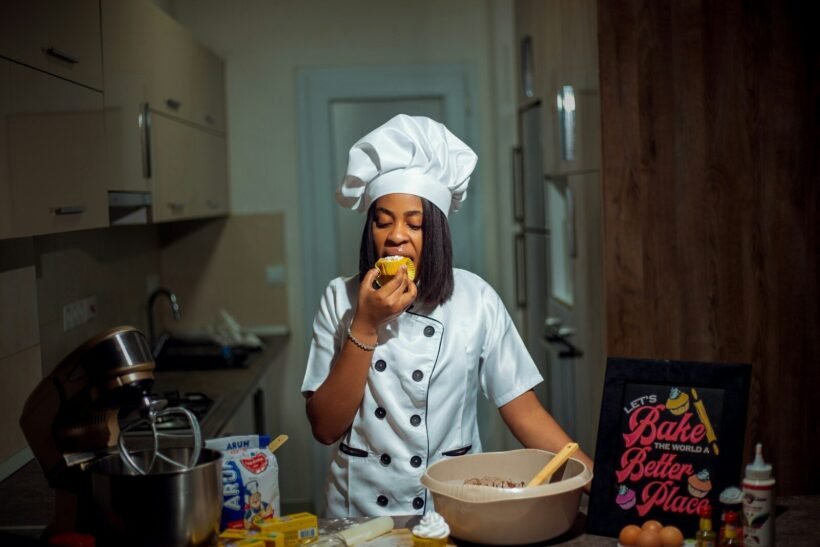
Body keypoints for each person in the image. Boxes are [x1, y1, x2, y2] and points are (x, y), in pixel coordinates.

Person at [301, 114, 593, 517]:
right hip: (360, 516)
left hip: (452, 508)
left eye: (415, 224)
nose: (396, 235)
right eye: (382, 222)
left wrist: (597, 483)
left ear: (436, 233)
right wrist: (365, 325)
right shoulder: (339, 298)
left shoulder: (476, 299)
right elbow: (325, 427)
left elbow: (525, 412)